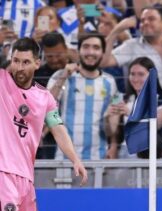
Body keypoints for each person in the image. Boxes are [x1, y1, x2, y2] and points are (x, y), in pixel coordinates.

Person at [0, 37, 87, 211]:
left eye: (26, 62)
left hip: (26, 175)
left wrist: (75, 158)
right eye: (15, 60)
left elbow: (57, 128)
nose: (19, 67)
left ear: (38, 63)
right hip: (3, 170)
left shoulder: (44, 97)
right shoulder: (2, 82)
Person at [102, 6, 162, 158]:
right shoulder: (132, 45)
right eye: (142, 20)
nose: (145, 23)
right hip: (144, 127)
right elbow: (103, 62)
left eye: (151, 19)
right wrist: (116, 30)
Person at [48, 31, 120, 160]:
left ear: (103, 53)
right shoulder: (61, 76)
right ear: (79, 51)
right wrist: (64, 76)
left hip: (98, 158)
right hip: (65, 158)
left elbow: (113, 118)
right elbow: (45, 105)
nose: (91, 52)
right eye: (86, 47)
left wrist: (113, 145)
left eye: (96, 48)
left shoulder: (110, 82)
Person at [104, 56, 162, 158]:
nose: (135, 79)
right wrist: (108, 117)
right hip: (125, 154)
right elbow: (111, 132)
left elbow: (156, 123)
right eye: (132, 74)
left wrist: (131, 113)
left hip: (152, 154)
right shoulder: (119, 97)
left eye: (141, 74)